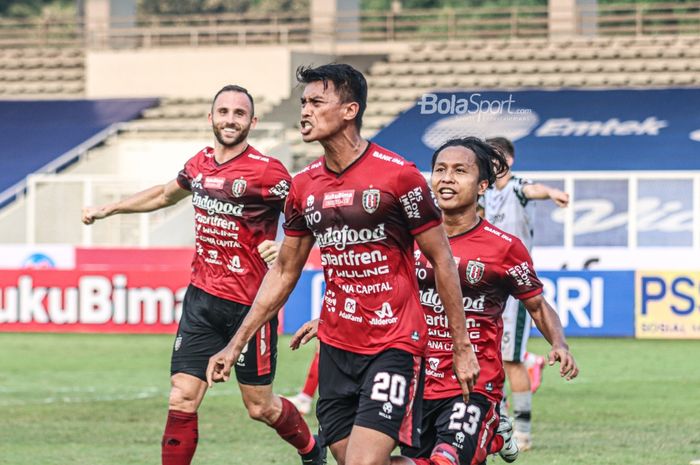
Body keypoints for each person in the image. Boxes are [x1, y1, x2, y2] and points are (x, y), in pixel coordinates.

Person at [205, 63, 479, 465]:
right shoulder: (302, 186)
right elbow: (284, 270)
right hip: (335, 347)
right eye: (303, 102)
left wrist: (461, 346)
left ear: (350, 110)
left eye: (317, 102)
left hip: (394, 344)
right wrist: (235, 343)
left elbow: (443, 261)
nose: (305, 111)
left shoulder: (398, 176)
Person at [81, 85, 324, 465]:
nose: (230, 119)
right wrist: (110, 209)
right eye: (223, 111)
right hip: (202, 300)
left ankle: (311, 450)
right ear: (210, 117)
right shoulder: (199, 164)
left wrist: (287, 248)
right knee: (182, 396)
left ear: (252, 122)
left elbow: (311, 217)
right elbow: (163, 195)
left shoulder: (267, 171)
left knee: (259, 407)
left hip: (251, 307)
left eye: (239, 114)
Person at [389, 137, 578, 465]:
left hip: (474, 383)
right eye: (440, 170)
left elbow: (536, 304)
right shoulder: (408, 238)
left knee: (446, 461)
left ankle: (492, 420)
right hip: (416, 383)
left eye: (460, 171)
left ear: (482, 186)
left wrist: (559, 343)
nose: (447, 178)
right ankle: (492, 433)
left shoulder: (504, 247)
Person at [480, 136, 570, 451]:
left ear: (509, 160)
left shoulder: (517, 186)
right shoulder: (483, 191)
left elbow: (535, 189)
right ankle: (494, 424)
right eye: (488, 156)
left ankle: (523, 432)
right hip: (484, 283)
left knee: (511, 359)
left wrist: (554, 192)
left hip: (513, 285)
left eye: (497, 156)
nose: (492, 161)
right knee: (486, 356)